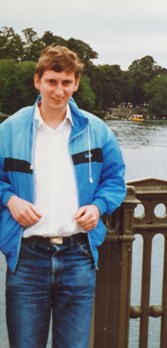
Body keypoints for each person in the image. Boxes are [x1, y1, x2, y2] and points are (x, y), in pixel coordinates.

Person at [0, 45, 126, 347]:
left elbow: (115, 179)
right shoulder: (10, 129)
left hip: (78, 255)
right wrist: (9, 199)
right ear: (37, 81)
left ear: (76, 84)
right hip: (27, 257)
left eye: (66, 82)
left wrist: (99, 206)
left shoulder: (97, 130)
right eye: (52, 81)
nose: (59, 91)